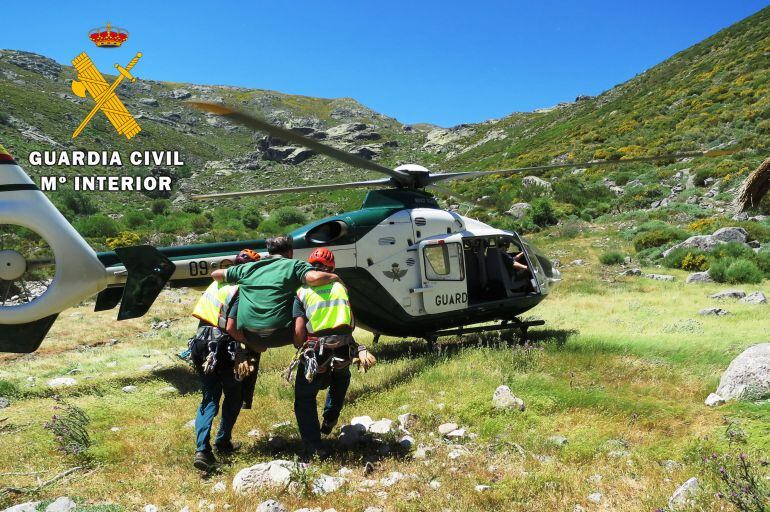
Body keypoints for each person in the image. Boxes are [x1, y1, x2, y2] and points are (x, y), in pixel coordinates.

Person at [288, 248, 376, 457]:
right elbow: (351, 323)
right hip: (343, 348)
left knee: (305, 397)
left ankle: (313, 446)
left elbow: (299, 330)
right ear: (331, 268)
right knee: (341, 377)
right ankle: (330, 418)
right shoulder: (340, 286)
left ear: (310, 267)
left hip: (315, 351)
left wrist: (298, 344)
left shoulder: (302, 292)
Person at [189, 249, 261, 472]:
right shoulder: (241, 289)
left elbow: (204, 317)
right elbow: (230, 327)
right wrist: (255, 345)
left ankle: (203, 449)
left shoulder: (216, 284)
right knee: (233, 393)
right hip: (223, 347)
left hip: (200, 343)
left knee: (209, 397)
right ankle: (223, 441)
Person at [210, 236, 340, 352]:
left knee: (242, 290)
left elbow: (215, 274)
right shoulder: (294, 265)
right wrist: (335, 277)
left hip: (250, 335)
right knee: (302, 292)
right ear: (290, 252)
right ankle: (305, 346)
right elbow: (314, 278)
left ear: (269, 252)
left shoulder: (248, 267)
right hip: (282, 334)